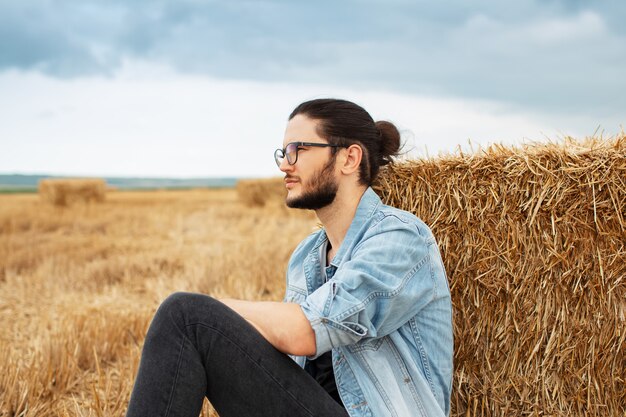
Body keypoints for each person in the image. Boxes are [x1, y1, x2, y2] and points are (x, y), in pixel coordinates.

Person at [126, 98, 453, 417]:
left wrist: (210, 313)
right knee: (188, 316)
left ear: (349, 158)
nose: (285, 164)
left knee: (184, 314)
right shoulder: (306, 257)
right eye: (283, 153)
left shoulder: (402, 238)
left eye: (299, 149)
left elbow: (310, 329)